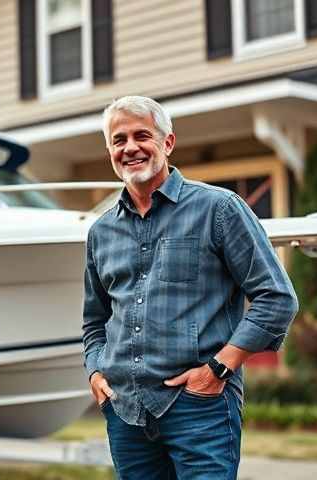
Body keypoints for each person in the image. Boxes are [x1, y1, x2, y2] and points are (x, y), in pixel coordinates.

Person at [82, 96, 298, 479]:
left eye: (141, 135)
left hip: (200, 406)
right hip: (126, 412)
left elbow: (276, 298)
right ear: (110, 152)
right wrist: (96, 372)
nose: (130, 147)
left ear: (167, 143)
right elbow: (95, 320)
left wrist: (218, 368)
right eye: (118, 140)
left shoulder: (220, 209)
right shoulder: (101, 232)